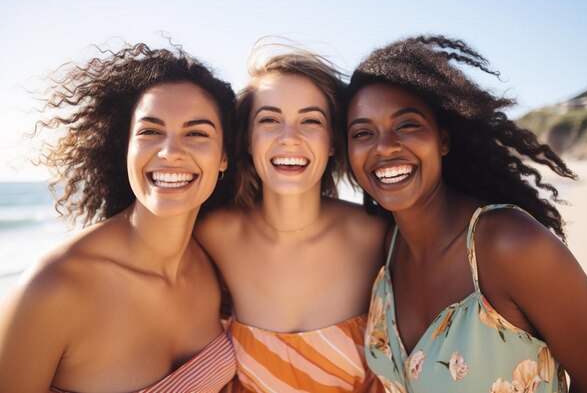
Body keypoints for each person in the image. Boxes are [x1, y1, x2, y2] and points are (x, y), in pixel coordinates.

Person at [344, 35, 587, 393]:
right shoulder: (386, 248)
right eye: (363, 132)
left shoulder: (509, 245)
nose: (385, 146)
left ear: (443, 139)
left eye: (408, 125)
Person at [0, 43, 237, 392]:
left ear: (223, 158)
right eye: (150, 131)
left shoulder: (221, 267)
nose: (170, 152)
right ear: (125, 148)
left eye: (197, 133)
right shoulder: (52, 289)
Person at [194, 46, 388, 392]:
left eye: (310, 120)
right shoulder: (212, 234)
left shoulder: (376, 235)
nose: (289, 138)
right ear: (248, 140)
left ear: (332, 142)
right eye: (269, 120)